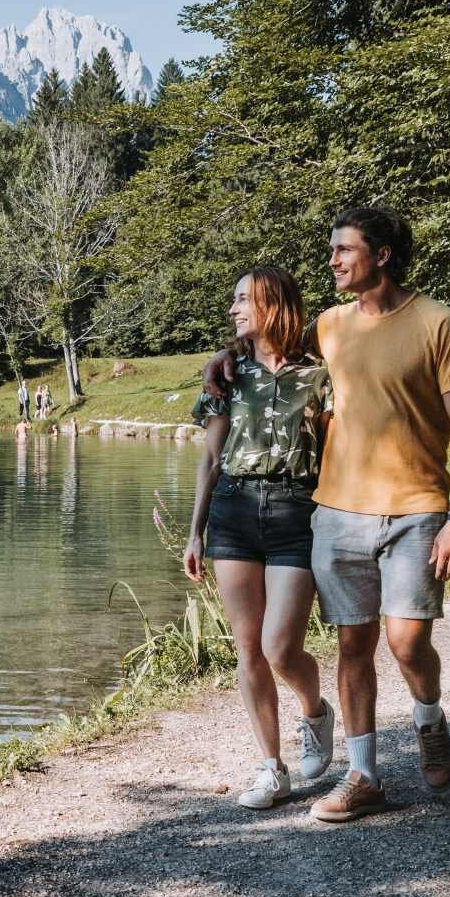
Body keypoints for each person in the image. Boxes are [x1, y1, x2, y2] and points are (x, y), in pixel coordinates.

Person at [205, 207, 450, 822]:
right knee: (352, 646)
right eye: (332, 250)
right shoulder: (328, 327)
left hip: (418, 509)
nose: (332, 260)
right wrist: (220, 361)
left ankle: (429, 717)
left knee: (407, 643)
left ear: (381, 255)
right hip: (335, 513)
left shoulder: (438, 323)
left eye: (344, 250)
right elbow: (266, 355)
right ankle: (363, 776)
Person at [184, 266, 335, 810]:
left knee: (280, 647)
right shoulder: (227, 376)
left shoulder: (321, 373)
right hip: (234, 511)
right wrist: (194, 532)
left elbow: (338, 448)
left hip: (297, 510)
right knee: (248, 647)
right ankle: (272, 768)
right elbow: (209, 457)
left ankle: (315, 710)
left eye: (243, 299)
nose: (233, 309)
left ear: (273, 303)